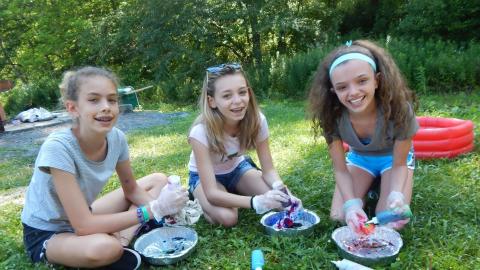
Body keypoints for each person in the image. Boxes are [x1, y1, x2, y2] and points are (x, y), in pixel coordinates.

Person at [21, 66, 189, 269]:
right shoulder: (58, 147)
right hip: (49, 230)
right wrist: (155, 208)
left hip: (86, 212)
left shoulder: (116, 138)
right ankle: (113, 243)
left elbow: (132, 190)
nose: (106, 106)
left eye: (112, 99)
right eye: (94, 100)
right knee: (103, 248)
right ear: (73, 108)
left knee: (158, 181)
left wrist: (168, 211)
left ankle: (123, 241)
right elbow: (82, 226)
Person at [308, 40, 419, 233]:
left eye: (362, 81)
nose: (353, 92)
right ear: (333, 91)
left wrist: (396, 194)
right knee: (339, 216)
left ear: (377, 80)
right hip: (361, 159)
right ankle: (369, 187)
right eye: (342, 87)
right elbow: (340, 170)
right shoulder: (331, 116)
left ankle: (383, 187)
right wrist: (351, 204)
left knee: (390, 222)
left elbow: (399, 164)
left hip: (394, 161)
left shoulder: (399, 110)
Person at [188, 63, 301, 227]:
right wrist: (255, 202)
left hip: (237, 169)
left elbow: (269, 170)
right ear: (212, 101)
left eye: (242, 92)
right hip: (204, 180)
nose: (238, 101)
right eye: (227, 96)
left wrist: (286, 194)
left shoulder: (258, 121)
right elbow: (212, 193)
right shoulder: (200, 133)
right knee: (228, 218)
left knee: (279, 203)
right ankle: (200, 199)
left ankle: (232, 193)